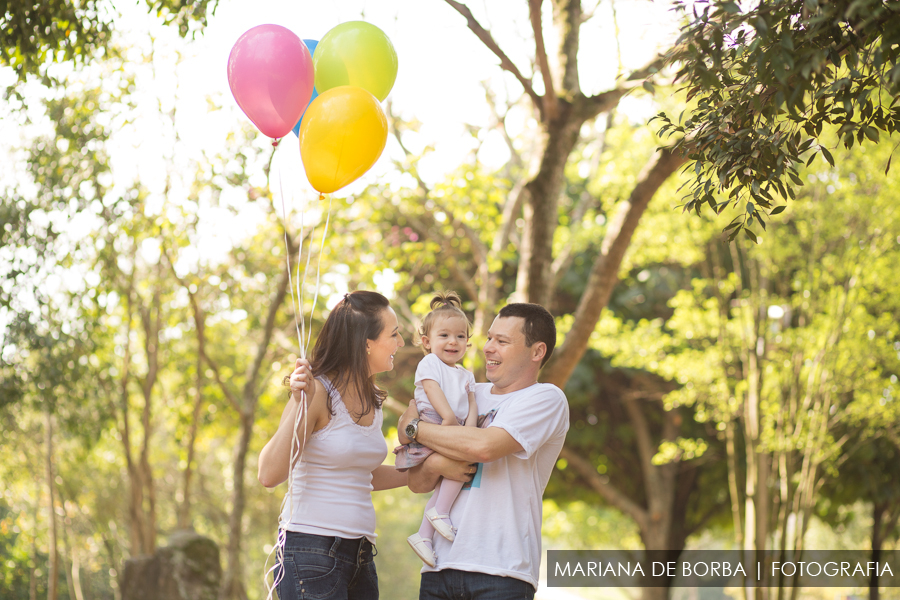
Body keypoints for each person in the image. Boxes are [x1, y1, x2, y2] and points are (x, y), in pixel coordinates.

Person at [258, 290, 471, 600]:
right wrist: (298, 404)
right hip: (311, 550)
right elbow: (268, 474)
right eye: (394, 334)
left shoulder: (372, 397)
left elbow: (364, 475)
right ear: (366, 342)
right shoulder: (316, 390)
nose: (401, 342)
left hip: (359, 553)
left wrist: (432, 465)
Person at [399, 302, 570, 600]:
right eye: (489, 338)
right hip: (438, 567)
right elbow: (416, 482)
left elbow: (484, 446)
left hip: (502, 572)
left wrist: (418, 430)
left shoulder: (546, 398)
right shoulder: (464, 391)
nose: (488, 348)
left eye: (502, 341)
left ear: (537, 352)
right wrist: (436, 462)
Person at [394, 292, 478, 567]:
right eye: (444, 336)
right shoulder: (430, 363)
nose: (453, 341)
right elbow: (431, 388)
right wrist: (448, 418)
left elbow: (471, 402)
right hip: (434, 419)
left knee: (454, 473)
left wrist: (470, 429)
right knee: (461, 462)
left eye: (460, 336)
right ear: (427, 342)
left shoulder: (466, 375)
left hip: (453, 425)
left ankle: (423, 535)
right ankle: (440, 513)